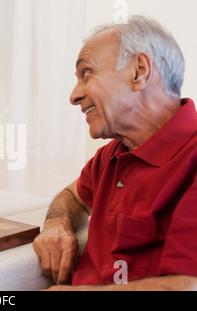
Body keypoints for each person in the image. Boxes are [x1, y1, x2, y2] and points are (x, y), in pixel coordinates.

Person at [33, 15, 197, 290]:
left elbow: (185, 285)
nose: (74, 96)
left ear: (139, 71)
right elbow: (73, 196)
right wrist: (56, 223)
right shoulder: (112, 154)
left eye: (86, 73)